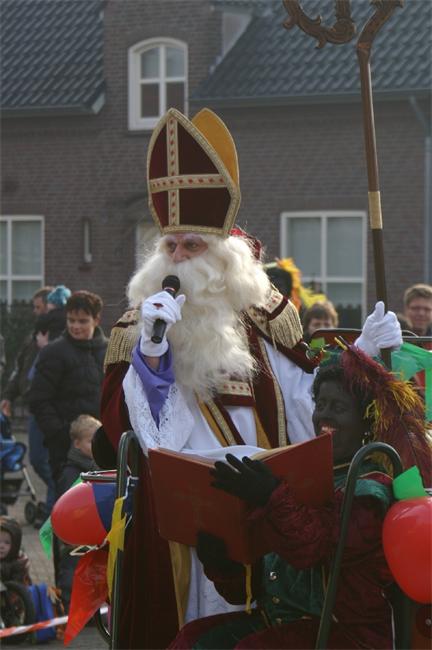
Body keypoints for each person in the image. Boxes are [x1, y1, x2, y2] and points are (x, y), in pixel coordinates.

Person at [92, 108, 403, 649]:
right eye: (170, 247)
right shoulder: (139, 329)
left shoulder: (262, 313)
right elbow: (141, 431)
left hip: (267, 506)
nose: (178, 260)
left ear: (222, 255)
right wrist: (153, 352)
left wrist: (361, 355)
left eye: (193, 247)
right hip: (186, 523)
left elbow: (309, 401)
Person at [169, 344, 432, 650]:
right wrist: (222, 562)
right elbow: (254, 590)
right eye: (321, 404)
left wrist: (271, 495)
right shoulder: (303, 473)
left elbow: (309, 548)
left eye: (338, 407)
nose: (324, 415)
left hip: (345, 634)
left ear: (365, 422)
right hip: (285, 623)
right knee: (193, 640)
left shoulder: (370, 489)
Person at [29, 291, 107, 486]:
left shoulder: (110, 351)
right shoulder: (53, 353)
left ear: (96, 320)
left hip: (104, 443)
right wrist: (61, 434)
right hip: (67, 449)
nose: (75, 326)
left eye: (82, 321)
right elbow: (39, 399)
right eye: (71, 320)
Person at [0, 286, 56, 517]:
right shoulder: (33, 338)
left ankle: (56, 502)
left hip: (48, 409)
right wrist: (8, 397)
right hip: (33, 406)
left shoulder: (56, 339)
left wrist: (46, 348)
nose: (35, 312)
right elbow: (19, 370)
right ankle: (53, 502)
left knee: (44, 460)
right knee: (39, 459)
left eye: (39, 307)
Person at [56, 415, 100, 612]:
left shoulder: (96, 467)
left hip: (92, 533)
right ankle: (69, 608)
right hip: (73, 536)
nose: (95, 446)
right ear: (77, 443)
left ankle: (90, 609)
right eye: (91, 441)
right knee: (72, 570)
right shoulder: (71, 472)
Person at [0, 515, 32, 585]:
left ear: (15, 545)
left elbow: (17, 586)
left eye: (7, 542)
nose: (1, 546)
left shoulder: (20, 564)